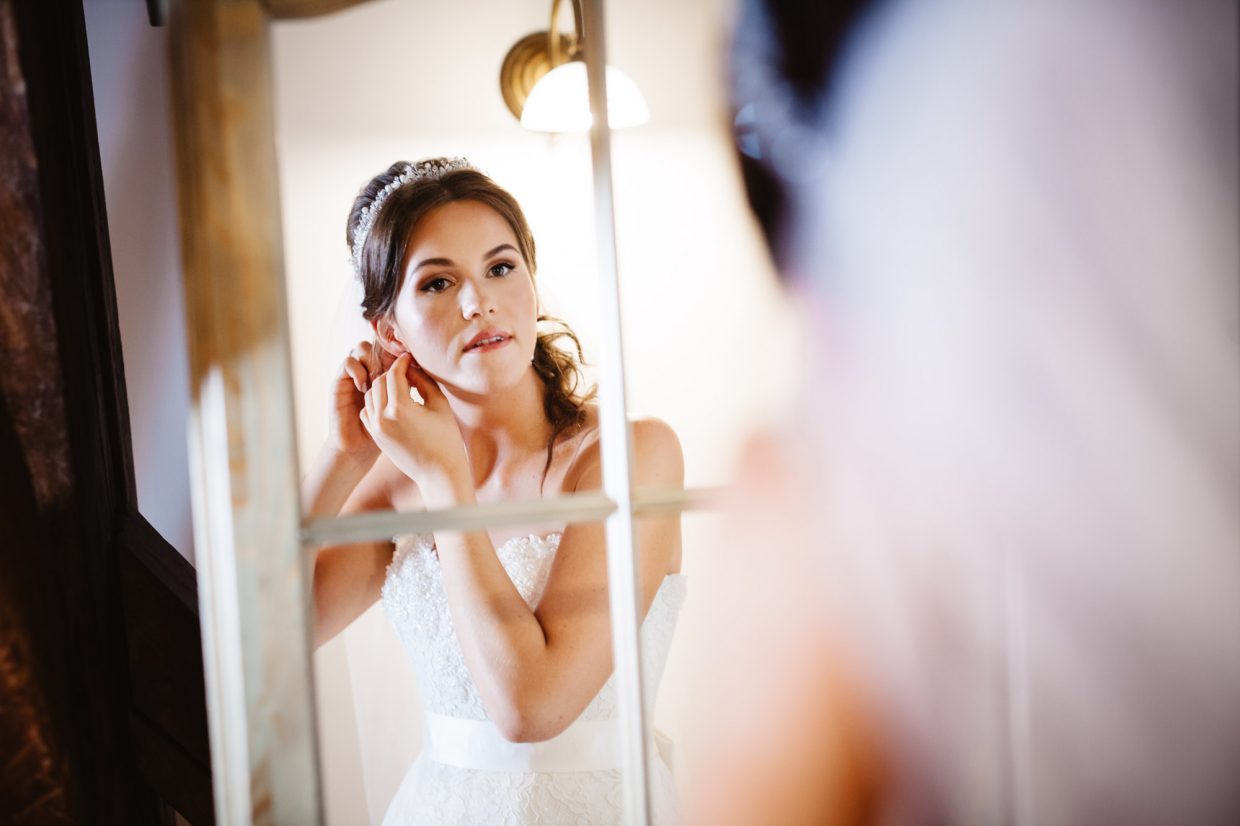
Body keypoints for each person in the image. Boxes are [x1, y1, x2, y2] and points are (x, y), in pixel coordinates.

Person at [301, 157, 687, 825]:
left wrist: (446, 484)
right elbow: (268, 643)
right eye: (438, 282)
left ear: (532, 281)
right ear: (390, 332)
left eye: (501, 268)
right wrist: (343, 457)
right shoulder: (397, 483)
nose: (478, 302)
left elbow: (532, 708)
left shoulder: (632, 456)